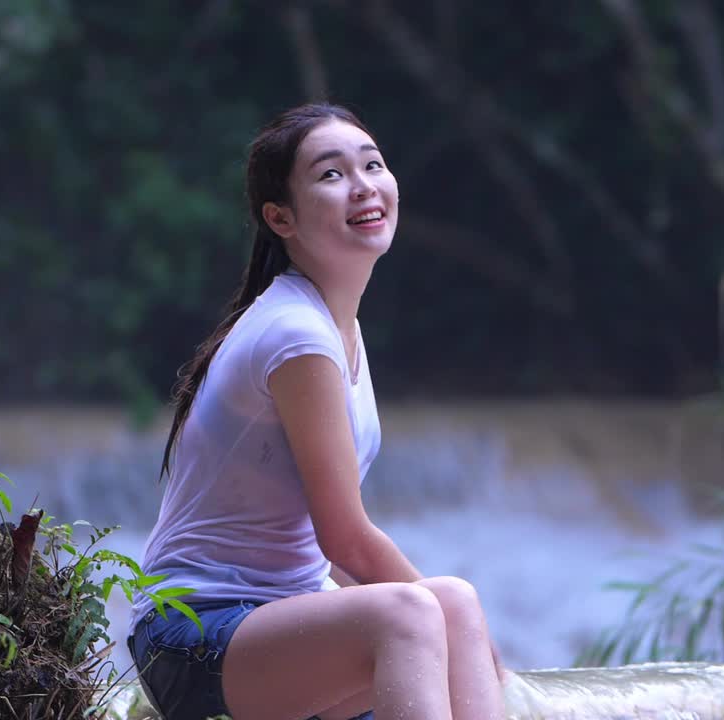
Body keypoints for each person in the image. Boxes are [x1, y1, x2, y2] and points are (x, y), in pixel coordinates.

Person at [128, 103, 507, 720]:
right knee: (417, 610)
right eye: (332, 174)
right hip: (193, 634)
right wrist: (453, 639)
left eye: (373, 165)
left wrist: (459, 636)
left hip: (285, 624)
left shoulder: (336, 324)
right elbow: (345, 538)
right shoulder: (297, 334)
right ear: (281, 217)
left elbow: (328, 555)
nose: (363, 186)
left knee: (455, 602)